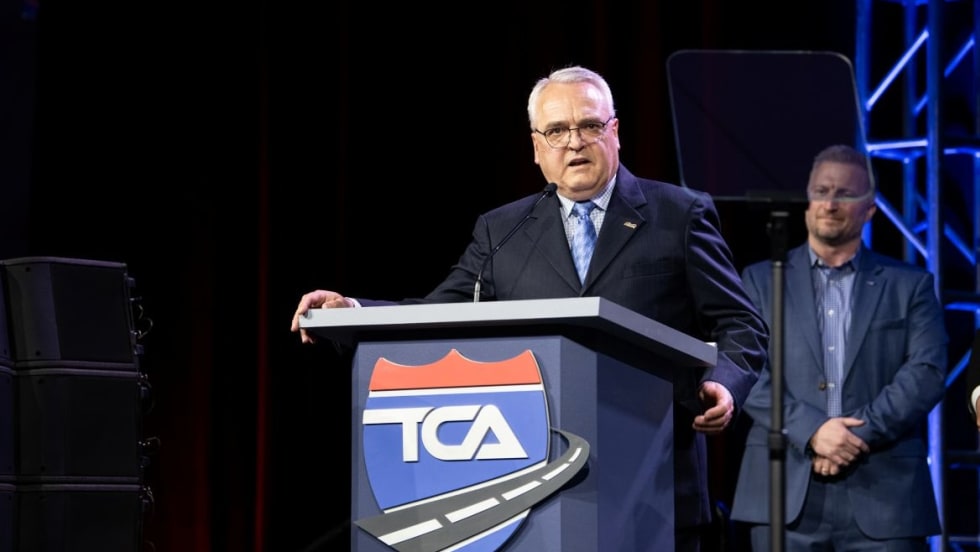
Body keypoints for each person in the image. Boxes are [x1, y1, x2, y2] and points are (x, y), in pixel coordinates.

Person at [291, 65, 769, 551]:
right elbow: (437, 315)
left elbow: (741, 324)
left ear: (615, 132)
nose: (574, 142)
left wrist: (723, 383)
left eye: (589, 125)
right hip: (535, 497)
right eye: (557, 130)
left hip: (655, 485)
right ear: (537, 146)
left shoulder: (679, 214)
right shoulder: (503, 231)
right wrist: (349, 309)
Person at [729, 144, 948, 550]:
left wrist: (850, 436)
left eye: (845, 193)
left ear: (870, 208)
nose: (830, 203)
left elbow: (927, 373)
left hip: (886, 497)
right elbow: (745, 369)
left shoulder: (910, 284)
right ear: (807, 200)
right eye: (822, 190)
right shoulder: (760, 280)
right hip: (783, 494)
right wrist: (812, 430)